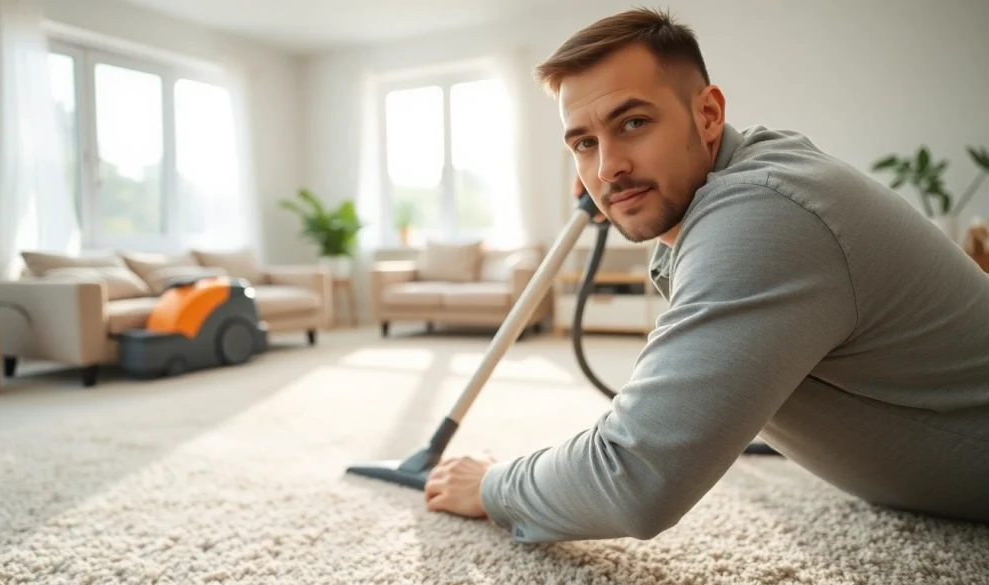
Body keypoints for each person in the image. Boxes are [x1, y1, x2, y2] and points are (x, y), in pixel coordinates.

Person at [421, 7, 989, 543]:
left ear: (709, 114)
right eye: (585, 143)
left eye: (634, 122)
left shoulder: (766, 215)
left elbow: (634, 478)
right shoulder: (753, 178)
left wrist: (495, 485)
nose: (607, 167)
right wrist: (628, 171)